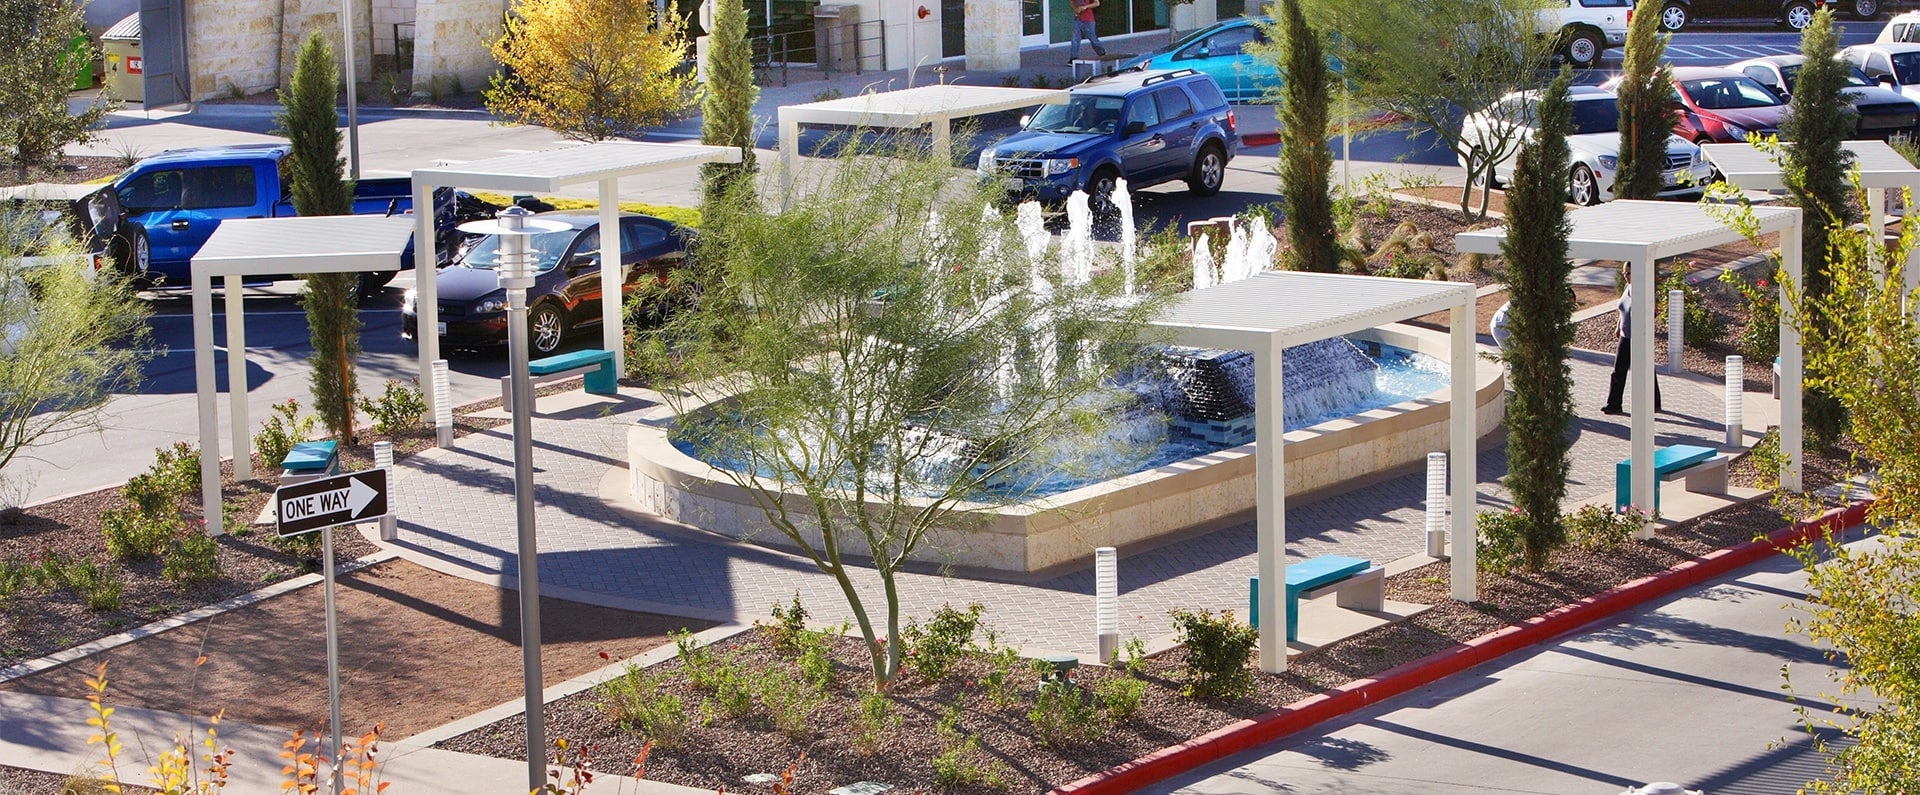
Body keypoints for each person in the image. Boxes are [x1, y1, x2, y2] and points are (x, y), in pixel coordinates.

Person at [1602, 263, 1662, 416]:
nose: (1625, 276)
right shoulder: (1627, 288)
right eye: (1624, 273)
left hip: (1639, 338)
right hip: (1625, 336)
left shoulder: (1645, 291)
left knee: (1646, 370)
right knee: (1618, 371)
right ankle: (1614, 404)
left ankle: (1654, 402)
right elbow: (1623, 309)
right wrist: (1618, 326)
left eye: (1628, 273)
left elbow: (1653, 313)